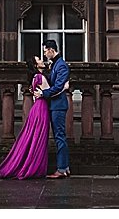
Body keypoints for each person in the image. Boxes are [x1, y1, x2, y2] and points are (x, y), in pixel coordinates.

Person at [0, 56, 51, 179]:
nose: (41, 61)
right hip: (41, 108)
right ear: (35, 65)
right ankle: (34, 167)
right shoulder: (40, 77)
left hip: (36, 108)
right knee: (39, 138)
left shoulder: (34, 78)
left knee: (34, 137)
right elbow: (50, 92)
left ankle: (33, 166)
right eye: (39, 60)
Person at [36, 39, 71, 179]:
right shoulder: (55, 64)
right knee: (59, 136)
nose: (44, 54)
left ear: (51, 50)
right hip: (54, 105)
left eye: (45, 51)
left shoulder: (61, 65)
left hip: (58, 106)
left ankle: (62, 169)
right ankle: (65, 167)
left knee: (59, 136)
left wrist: (43, 94)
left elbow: (57, 87)